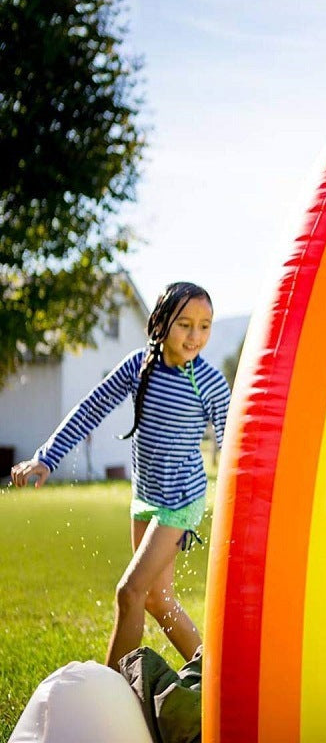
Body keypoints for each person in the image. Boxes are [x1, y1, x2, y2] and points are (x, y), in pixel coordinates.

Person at [11, 281, 231, 672]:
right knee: (157, 600)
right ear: (162, 322)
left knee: (129, 592)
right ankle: (217, 679)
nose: (195, 336)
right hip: (146, 495)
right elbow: (91, 407)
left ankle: (109, 696)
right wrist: (46, 458)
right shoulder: (138, 366)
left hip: (182, 501)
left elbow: (235, 444)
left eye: (205, 325)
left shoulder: (209, 382)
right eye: (185, 324)